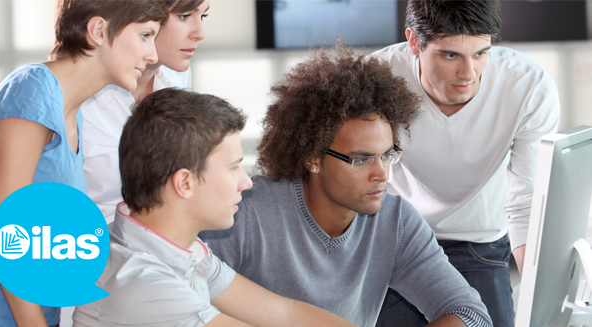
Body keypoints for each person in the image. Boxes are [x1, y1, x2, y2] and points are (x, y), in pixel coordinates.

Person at [200, 45, 493, 327]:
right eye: (361, 160)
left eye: (387, 155)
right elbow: (186, 308)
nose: (382, 174)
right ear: (313, 158)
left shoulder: (396, 223)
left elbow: (470, 313)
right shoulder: (244, 213)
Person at [73, 88, 357, 327]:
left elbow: (285, 314)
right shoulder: (138, 283)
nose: (247, 183)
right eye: (234, 168)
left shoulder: (179, 248)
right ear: (184, 182)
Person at [0, 1, 170, 326]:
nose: (152, 55)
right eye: (145, 35)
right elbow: (0, 227)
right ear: (99, 31)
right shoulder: (34, 88)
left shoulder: (71, 113)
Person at [367, 0, 561, 326]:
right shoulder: (378, 76)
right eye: (450, 55)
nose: (468, 73)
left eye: (481, 53)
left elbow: (527, 203)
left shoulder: (528, 88)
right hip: (399, 242)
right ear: (414, 42)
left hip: (480, 243)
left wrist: (544, 302)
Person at [82, 0, 209, 222]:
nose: (200, 33)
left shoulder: (175, 78)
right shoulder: (79, 100)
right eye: (184, 16)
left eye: (203, 16)